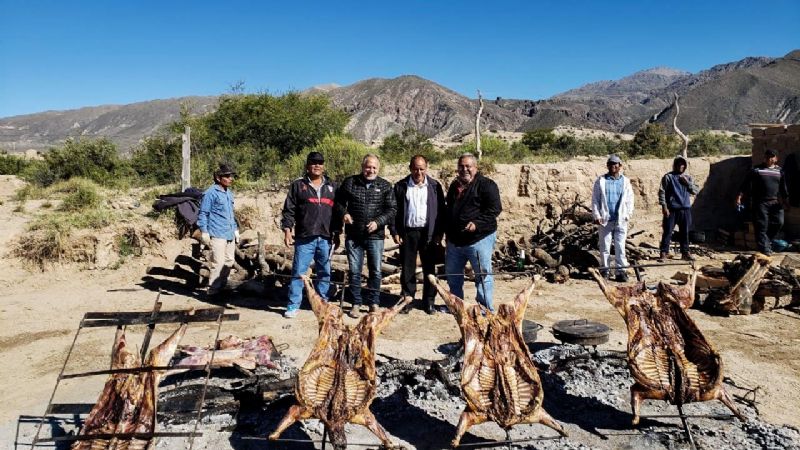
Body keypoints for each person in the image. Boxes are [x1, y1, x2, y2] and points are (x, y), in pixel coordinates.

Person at [334, 154, 397, 318]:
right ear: (363, 167)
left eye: (374, 167)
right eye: (368, 167)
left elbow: (392, 210)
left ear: (378, 168)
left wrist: (378, 222)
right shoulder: (350, 182)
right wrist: (344, 214)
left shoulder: (385, 186)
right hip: (354, 236)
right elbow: (338, 203)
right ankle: (356, 303)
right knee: (355, 271)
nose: (371, 170)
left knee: (375, 270)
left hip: (375, 236)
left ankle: (373, 302)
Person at [280, 151, 337, 318]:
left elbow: (337, 212)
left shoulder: (332, 186)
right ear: (307, 166)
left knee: (324, 272)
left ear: (323, 166)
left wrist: (337, 233)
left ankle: (321, 303)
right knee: (299, 271)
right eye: (313, 162)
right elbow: (289, 210)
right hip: (305, 236)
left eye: (320, 162)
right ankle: (293, 305)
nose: (317, 165)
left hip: (325, 237)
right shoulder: (298, 185)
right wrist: (287, 230)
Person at [443, 153, 502, 311]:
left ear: (475, 167)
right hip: (455, 241)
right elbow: (449, 210)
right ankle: (456, 305)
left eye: (468, 166)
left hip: (479, 239)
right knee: (453, 276)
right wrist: (447, 234)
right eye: (461, 166)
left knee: (482, 276)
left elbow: (495, 209)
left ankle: (484, 308)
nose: (465, 169)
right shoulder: (455, 186)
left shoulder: (487, 185)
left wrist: (477, 224)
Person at [390, 155, 446, 315]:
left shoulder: (435, 186)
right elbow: (394, 211)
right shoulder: (401, 186)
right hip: (408, 232)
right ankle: (407, 299)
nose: (418, 172)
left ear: (426, 168)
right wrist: (394, 231)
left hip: (428, 233)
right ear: (410, 168)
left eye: (421, 169)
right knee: (408, 268)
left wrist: (438, 234)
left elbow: (442, 212)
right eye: (415, 168)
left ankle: (429, 302)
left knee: (429, 268)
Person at [197, 163, 239, 298]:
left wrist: (235, 229)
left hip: (229, 232)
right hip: (217, 232)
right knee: (218, 262)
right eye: (227, 176)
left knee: (229, 261)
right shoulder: (210, 193)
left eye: (231, 176)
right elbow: (203, 213)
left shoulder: (229, 193)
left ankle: (222, 286)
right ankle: (212, 290)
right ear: (218, 178)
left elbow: (231, 213)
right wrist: (204, 231)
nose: (230, 178)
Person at [736, 148, 790, 255]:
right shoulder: (756, 170)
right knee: (761, 226)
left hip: (775, 202)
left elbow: (783, 189)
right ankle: (764, 249)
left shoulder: (780, 171)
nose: (769, 159)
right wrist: (739, 197)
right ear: (764, 158)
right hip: (760, 202)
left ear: (776, 159)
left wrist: (785, 202)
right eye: (767, 157)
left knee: (779, 222)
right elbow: (745, 184)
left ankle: (766, 242)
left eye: (772, 157)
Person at [591, 154, 634, 282]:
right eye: (611, 164)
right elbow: (595, 200)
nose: (613, 166)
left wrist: (628, 214)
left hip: (620, 219)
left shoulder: (625, 181)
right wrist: (597, 215)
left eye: (616, 164)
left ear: (620, 166)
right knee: (605, 246)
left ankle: (621, 272)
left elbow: (630, 199)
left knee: (620, 246)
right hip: (606, 219)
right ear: (607, 166)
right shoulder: (601, 181)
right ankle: (605, 271)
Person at [658, 155, 699, 261]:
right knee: (668, 231)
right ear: (675, 165)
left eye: (683, 164)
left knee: (685, 232)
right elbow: (662, 192)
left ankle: (685, 253)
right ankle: (664, 253)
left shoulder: (688, 178)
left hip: (685, 209)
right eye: (679, 164)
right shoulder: (668, 177)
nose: (681, 166)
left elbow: (695, 191)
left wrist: (687, 183)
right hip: (672, 209)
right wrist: (664, 206)